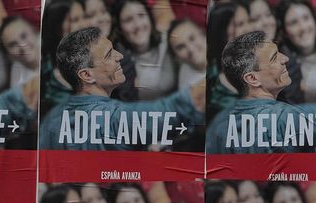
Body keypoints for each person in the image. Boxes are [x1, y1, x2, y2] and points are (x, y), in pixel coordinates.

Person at [39, 27, 205, 151]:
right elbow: (179, 107)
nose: (120, 56)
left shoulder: (49, 121)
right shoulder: (116, 119)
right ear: (87, 75)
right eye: (109, 55)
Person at [206, 31, 316, 153]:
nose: (285, 58)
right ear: (252, 79)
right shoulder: (289, 118)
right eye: (274, 58)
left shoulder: (217, 125)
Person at [110, 0, 177, 99]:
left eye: (141, 15)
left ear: (150, 17)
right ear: (120, 29)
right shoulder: (119, 62)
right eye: (128, 20)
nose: (138, 25)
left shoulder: (169, 42)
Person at [0, 16, 40, 87]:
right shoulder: (17, 80)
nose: (22, 46)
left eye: (24, 36)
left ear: (34, 31)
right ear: (8, 56)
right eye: (13, 44)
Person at [168, 19, 207, 89]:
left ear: (202, 34)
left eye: (192, 38)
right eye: (181, 47)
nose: (191, 49)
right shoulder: (184, 73)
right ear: (176, 57)